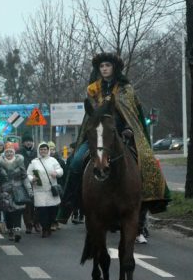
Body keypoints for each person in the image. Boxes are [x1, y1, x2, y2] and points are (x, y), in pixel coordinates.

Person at [58, 52, 169, 242]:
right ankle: (70, 204)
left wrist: (128, 129)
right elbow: (91, 116)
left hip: (121, 134)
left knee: (146, 161)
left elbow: (132, 116)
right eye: (101, 67)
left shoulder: (126, 89)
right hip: (98, 135)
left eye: (107, 66)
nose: (104, 69)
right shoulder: (94, 90)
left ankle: (144, 208)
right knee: (76, 161)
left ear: (114, 68)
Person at [27, 142, 63, 238]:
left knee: (53, 211)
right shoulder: (34, 162)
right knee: (42, 211)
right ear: (39, 151)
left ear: (48, 150)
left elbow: (61, 170)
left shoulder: (53, 160)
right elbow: (28, 174)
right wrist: (32, 179)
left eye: (45, 149)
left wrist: (56, 173)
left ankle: (50, 225)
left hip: (51, 190)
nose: (43, 151)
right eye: (41, 149)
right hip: (39, 190)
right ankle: (45, 229)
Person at [0, 143, 31, 242]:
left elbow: (24, 176)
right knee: (7, 211)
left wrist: (29, 189)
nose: (9, 154)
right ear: (4, 153)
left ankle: (17, 231)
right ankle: (10, 230)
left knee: (18, 210)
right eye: (7, 152)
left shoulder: (20, 162)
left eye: (11, 152)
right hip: (5, 190)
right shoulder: (0, 163)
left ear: (14, 153)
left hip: (18, 188)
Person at [18, 133, 38, 234]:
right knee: (27, 204)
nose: (29, 143)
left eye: (30, 141)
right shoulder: (19, 152)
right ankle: (28, 225)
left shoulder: (36, 152)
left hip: (36, 180)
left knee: (37, 203)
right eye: (26, 141)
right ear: (23, 143)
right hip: (23, 180)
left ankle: (36, 223)